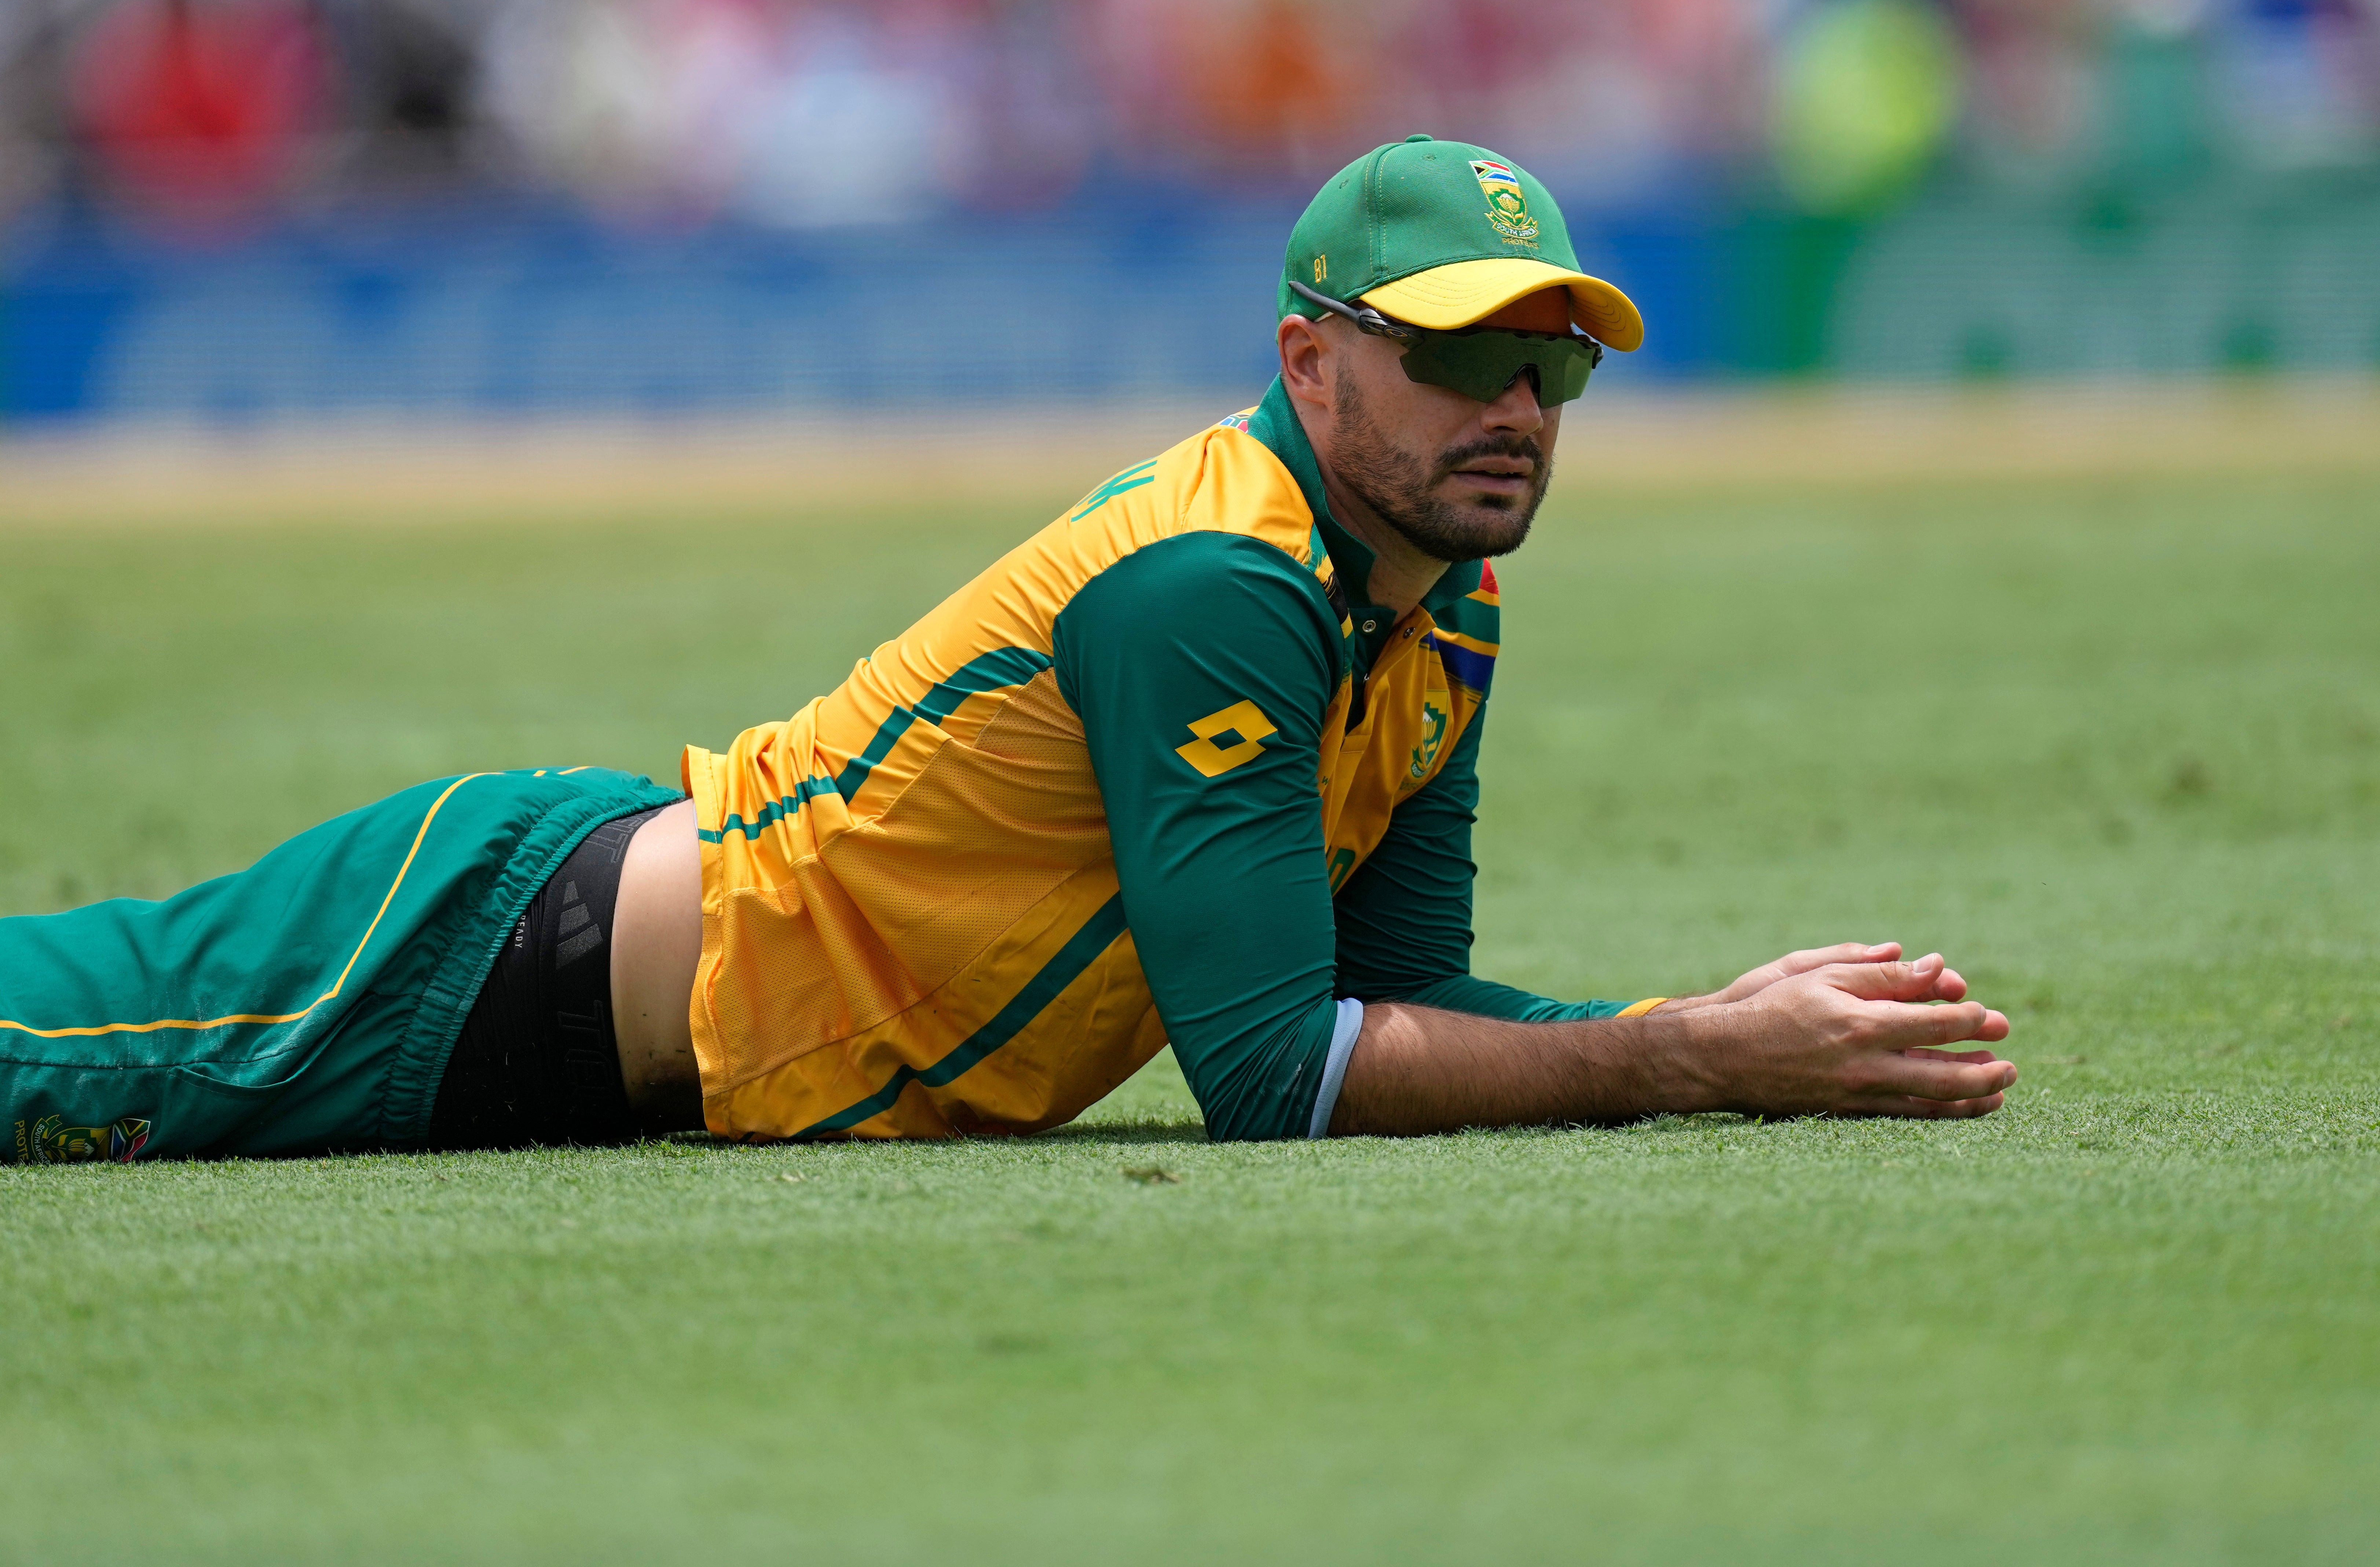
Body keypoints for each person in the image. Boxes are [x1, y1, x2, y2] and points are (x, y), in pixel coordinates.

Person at [1, 136, 2014, 1164]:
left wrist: (1701, 1024)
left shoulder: (1438, 607)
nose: (1520, 404)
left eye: (1554, 355)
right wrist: (1684, 1057)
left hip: (624, 1032)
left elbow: (1396, 1002)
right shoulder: (1220, 579)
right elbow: (1274, 1078)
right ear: (1311, 360)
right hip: (491, 955)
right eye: (1462, 350)